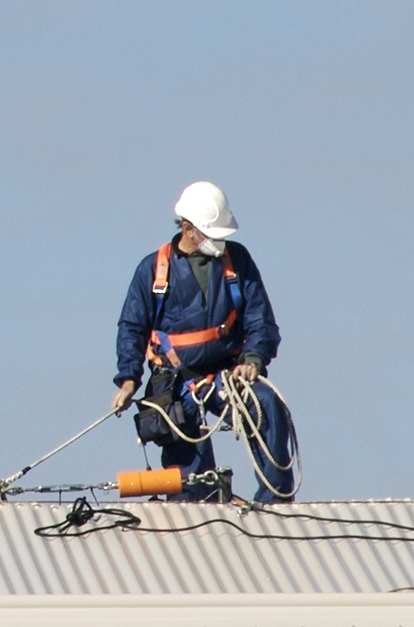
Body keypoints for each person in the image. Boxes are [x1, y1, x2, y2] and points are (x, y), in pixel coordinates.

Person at [109, 181, 298, 500]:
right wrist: (128, 379)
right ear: (188, 228)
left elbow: (260, 317)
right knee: (190, 477)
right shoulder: (154, 271)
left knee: (266, 405)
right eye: (213, 233)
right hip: (175, 383)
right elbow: (132, 327)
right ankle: (199, 520)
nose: (220, 241)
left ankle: (275, 506)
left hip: (227, 374)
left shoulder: (237, 262)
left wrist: (253, 359)